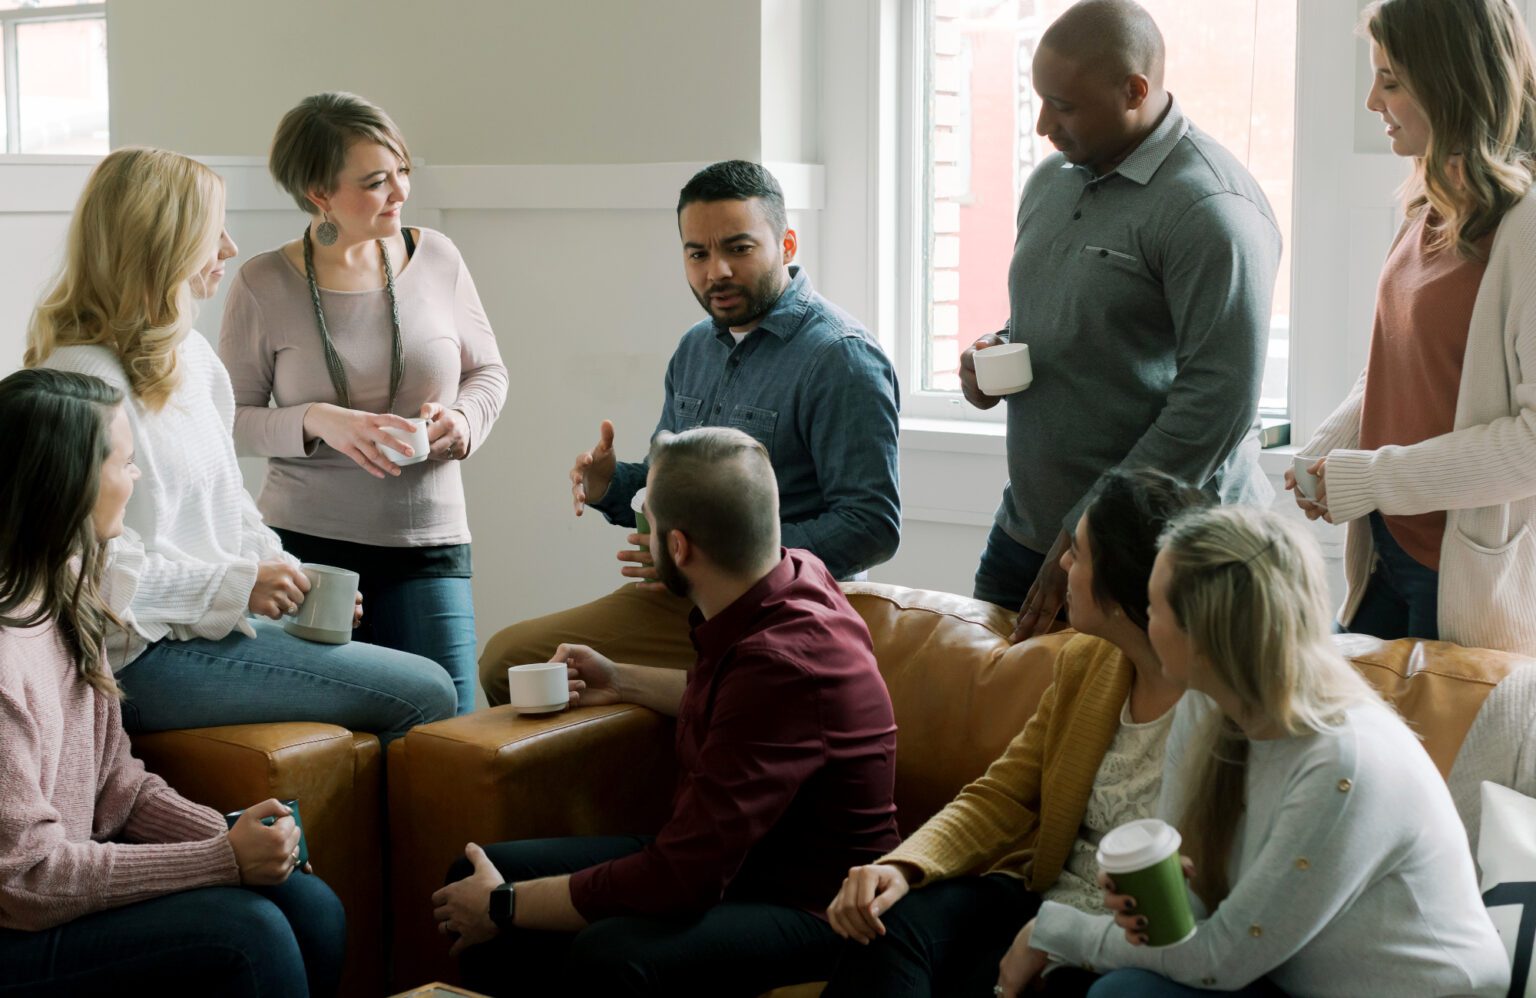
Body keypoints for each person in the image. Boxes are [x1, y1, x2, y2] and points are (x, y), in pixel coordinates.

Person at [433, 427, 900, 996]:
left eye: (647, 521)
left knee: (605, 954)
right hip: (741, 863)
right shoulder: (792, 576)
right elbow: (740, 709)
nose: (644, 534)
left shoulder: (780, 663)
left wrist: (505, 905)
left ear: (677, 547)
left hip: (815, 907)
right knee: (474, 874)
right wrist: (619, 679)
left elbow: (682, 877)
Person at [25, 147, 455, 744]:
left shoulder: (191, 356)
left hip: (204, 631)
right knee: (426, 690)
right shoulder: (81, 382)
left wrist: (287, 572)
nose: (229, 248)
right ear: (163, 244)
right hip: (134, 658)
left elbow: (232, 509)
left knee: (417, 681)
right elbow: (83, 578)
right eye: (213, 232)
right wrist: (238, 585)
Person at [1009, 505, 1509, 997]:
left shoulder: (1342, 762)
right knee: (1119, 987)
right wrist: (1152, 909)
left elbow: (1220, 961)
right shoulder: (1204, 704)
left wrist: (1054, 931)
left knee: (1123, 993)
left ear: (1205, 635)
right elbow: (1193, 913)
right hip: (1286, 974)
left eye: (1156, 608)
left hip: (1424, 990)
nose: (1146, 618)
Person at [478, 159, 900, 705]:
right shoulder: (697, 347)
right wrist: (611, 485)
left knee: (517, 662)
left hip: (784, 613)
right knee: (510, 661)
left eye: (738, 248)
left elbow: (870, 526)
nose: (716, 271)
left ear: (787, 244)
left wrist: (714, 557)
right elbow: (674, 485)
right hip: (686, 602)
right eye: (697, 254)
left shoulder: (841, 358)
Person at [0, 368, 346, 997]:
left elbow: (118, 789)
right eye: (125, 462)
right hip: (16, 929)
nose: (135, 477)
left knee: (310, 903)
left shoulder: (69, 598)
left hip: (57, 897)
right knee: (250, 934)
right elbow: (26, 881)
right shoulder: (6, 656)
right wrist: (221, 861)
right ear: (69, 483)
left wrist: (231, 836)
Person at [957, 0, 1278, 643]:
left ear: (1134, 91)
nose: (1043, 125)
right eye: (1040, 101)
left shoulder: (1211, 208)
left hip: (1158, 555)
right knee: (989, 702)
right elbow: (1069, 313)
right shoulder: (1052, 180)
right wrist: (998, 349)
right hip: (1029, 533)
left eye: (1064, 106)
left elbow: (1218, 401)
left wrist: (1091, 531)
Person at [821, 470, 1207, 998]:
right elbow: (1002, 793)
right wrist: (903, 867)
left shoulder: (1224, 704)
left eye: (1078, 554)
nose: (1062, 564)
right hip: (1043, 898)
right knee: (888, 921)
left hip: (1132, 938)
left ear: (1119, 589)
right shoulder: (1086, 661)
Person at [218, 92, 507, 716]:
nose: (400, 191)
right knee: (330, 743)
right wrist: (317, 420)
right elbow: (230, 420)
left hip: (429, 543)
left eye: (402, 170)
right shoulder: (262, 284)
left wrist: (462, 422)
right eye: (376, 182)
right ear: (319, 192)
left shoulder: (438, 257)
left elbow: (487, 372)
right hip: (304, 552)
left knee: (447, 734)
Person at [1286, 0, 1536, 653]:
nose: (1372, 101)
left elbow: (1532, 445)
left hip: (1459, 578)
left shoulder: (1527, 229)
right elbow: (1398, 362)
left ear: (1452, 83)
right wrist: (1328, 446)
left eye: (1391, 81)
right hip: (1386, 548)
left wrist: (1367, 477)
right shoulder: (1429, 197)